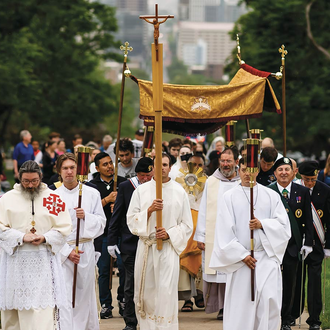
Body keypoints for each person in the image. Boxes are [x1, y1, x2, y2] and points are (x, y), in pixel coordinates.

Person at [209, 158, 291, 330]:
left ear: (258, 171)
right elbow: (223, 232)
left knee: (269, 302)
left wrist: (263, 224)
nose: (248, 174)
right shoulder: (229, 197)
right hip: (241, 262)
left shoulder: (271, 195)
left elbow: (284, 228)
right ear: (239, 171)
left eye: (251, 170)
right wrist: (242, 255)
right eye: (244, 170)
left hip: (267, 257)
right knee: (242, 307)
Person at [0, 160, 72, 330]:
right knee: (14, 312)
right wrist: (21, 236)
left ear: (40, 177)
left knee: (41, 313)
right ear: (19, 178)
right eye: (26, 181)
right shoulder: (7, 199)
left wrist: (45, 237)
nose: (30, 185)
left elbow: (64, 229)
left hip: (43, 265)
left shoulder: (53, 198)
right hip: (15, 264)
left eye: (34, 181)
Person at [127, 153, 193, 330]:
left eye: (165, 165)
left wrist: (169, 234)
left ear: (170, 167)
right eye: (158, 165)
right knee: (147, 293)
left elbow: (187, 225)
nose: (162, 168)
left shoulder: (179, 191)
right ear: (152, 168)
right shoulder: (141, 190)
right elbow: (130, 219)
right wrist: (148, 211)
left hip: (167, 250)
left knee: (166, 291)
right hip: (147, 247)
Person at [56, 153, 106, 330]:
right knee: (65, 295)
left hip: (85, 250)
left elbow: (101, 223)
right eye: (65, 168)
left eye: (72, 168)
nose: (69, 172)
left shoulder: (91, 193)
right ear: (59, 171)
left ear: (78, 170)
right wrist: (66, 252)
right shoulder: (53, 196)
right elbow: (49, 230)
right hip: (62, 253)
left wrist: (86, 217)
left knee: (85, 294)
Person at [108, 157, 154, 330]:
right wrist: (112, 241)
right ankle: (130, 321)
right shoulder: (127, 186)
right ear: (138, 174)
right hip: (130, 243)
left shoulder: (156, 186)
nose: (146, 179)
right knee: (130, 284)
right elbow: (117, 215)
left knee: (150, 282)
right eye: (143, 175)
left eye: (149, 175)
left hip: (150, 242)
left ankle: (149, 317)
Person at [268, 157, 314, 330]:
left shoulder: (302, 191)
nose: (284, 173)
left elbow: (308, 220)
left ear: (293, 172)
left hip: (293, 246)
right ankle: (273, 316)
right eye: (280, 170)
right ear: (274, 173)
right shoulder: (268, 191)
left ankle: (286, 319)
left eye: (287, 169)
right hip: (272, 247)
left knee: (290, 283)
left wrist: (308, 243)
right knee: (272, 283)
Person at [194, 146, 240, 320]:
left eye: (229, 161)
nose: (225, 164)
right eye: (223, 161)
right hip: (216, 234)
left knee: (235, 271)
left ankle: (235, 306)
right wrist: (201, 236)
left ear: (236, 161)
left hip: (236, 234)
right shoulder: (212, 181)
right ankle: (222, 307)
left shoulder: (241, 181)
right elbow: (204, 209)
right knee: (220, 273)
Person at [291, 161, 330, 330]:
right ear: (300, 175)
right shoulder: (294, 189)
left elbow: (328, 218)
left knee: (314, 282)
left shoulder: (325, 190)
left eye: (313, 179)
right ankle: (292, 314)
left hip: (316, 244)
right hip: (297, 244)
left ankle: (314, 319)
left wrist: (328, 243)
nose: (310, 183)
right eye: (307, 179)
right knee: (295, 280)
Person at [90, 152, 126, 319]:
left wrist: (118, 205)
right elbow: (91, 210)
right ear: (97, 168)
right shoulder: (92, 186)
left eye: (110, 163)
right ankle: (105, 303)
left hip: (119, 232)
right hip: (102, 233)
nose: (109, 166)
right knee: (104, 269)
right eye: (105, 164)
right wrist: (106, 201)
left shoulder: (122, 182)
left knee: (124, 266)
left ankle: (123, 299)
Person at [177, 154, 206, 312]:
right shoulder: (180, 181)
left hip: (202, 226)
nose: (195, 167)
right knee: (184, 264)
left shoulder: (209, 182)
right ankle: (187, 299)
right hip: (186, 228)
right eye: (192, 164)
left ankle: (200, 295)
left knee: (201, 262)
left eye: (199, 164)